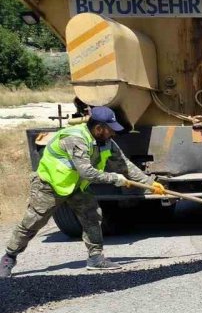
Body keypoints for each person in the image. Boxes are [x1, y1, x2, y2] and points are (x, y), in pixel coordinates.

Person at [1, 106, 166, 277]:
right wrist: (116, 179)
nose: (113, 133)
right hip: (49, 185)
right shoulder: (76, 138)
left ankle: (95, 258)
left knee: (92, 215)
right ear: (98, 128)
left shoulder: (107, 142)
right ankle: (8, 258)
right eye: (110, 130)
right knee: (33, 222)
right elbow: (86, 172)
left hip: (77, 186)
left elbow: (124, 165)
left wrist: (150, 183)